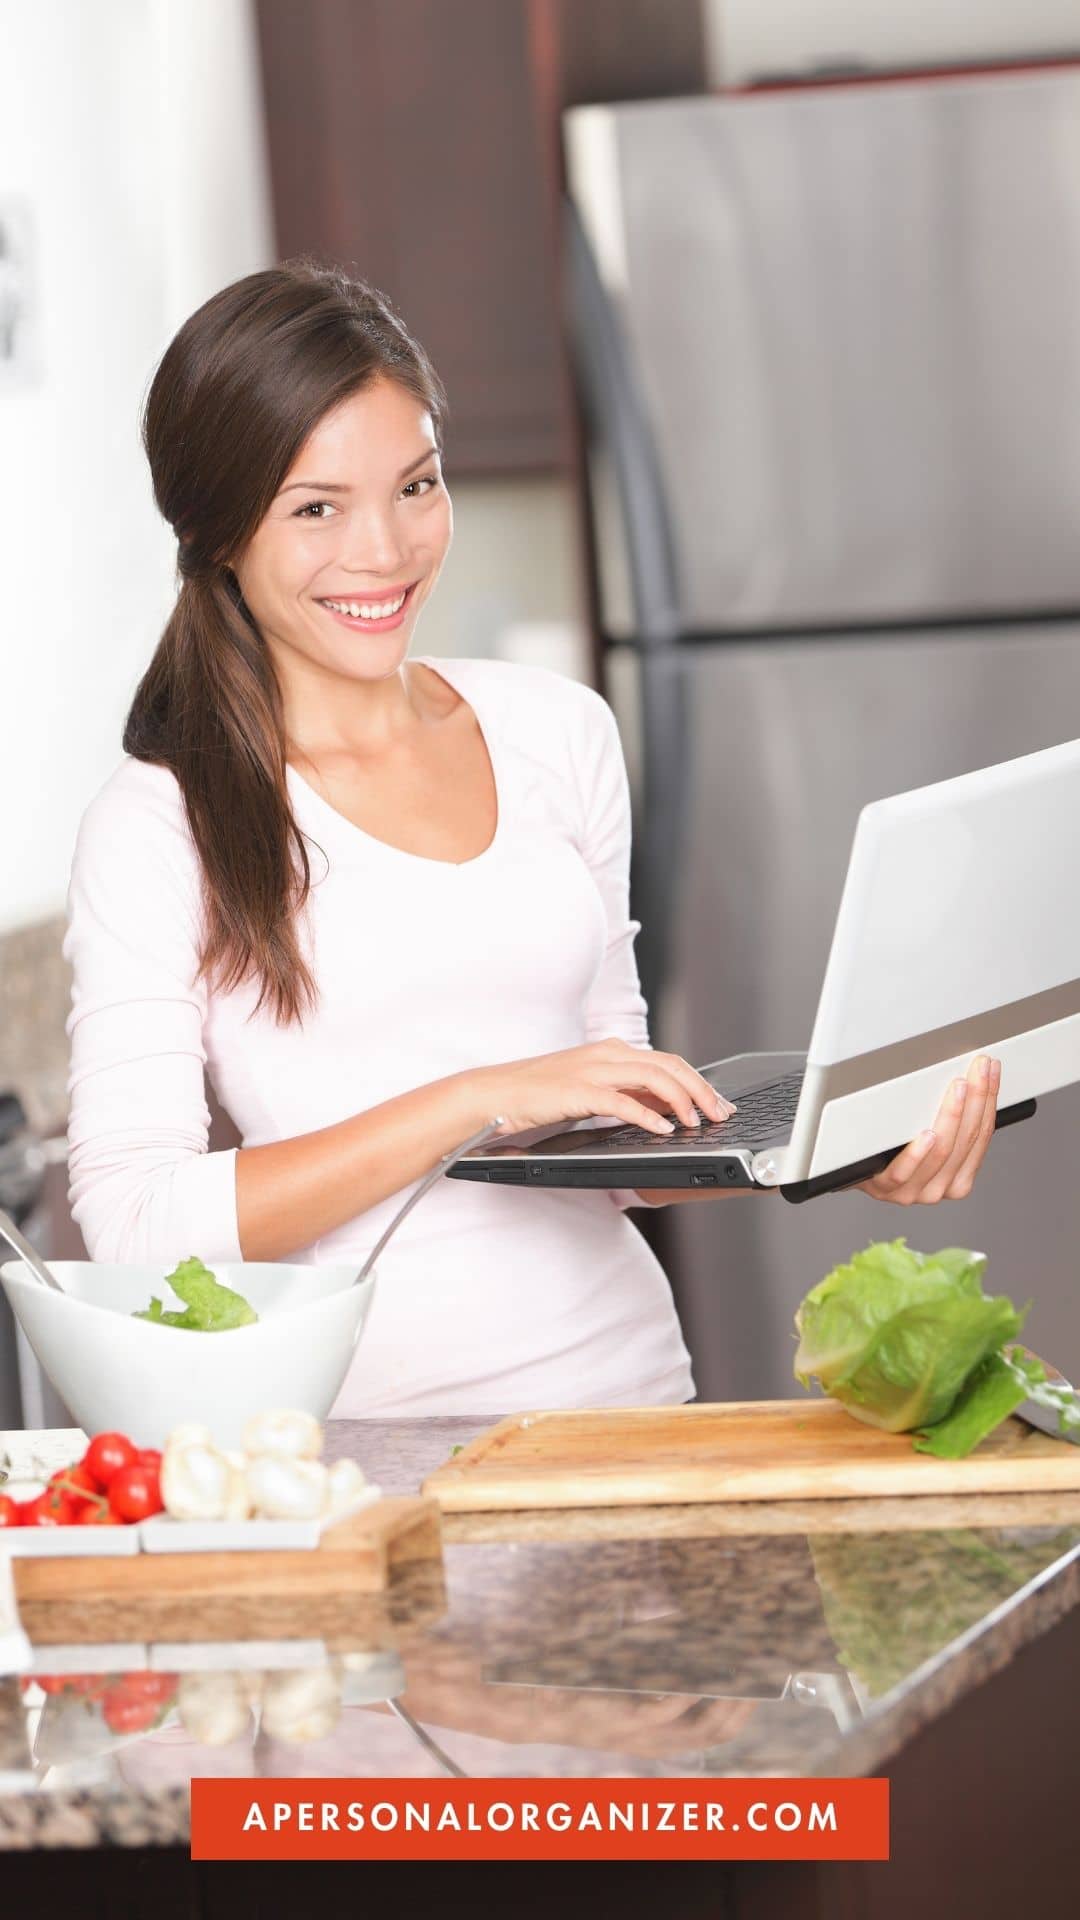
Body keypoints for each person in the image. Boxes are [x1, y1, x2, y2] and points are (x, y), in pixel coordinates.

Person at [62, 262, 1001, 1417]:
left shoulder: (557, 730)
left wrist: (840, 1147)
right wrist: (478, 1096)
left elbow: (617, 1131)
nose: (386, 550)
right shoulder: (163, 824)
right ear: (216, 531)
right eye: (318, 508)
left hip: (634, 1403)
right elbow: (136, 1222)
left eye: (417, 486)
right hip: (375, 1455)